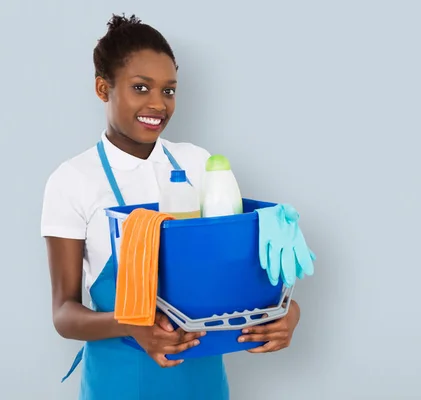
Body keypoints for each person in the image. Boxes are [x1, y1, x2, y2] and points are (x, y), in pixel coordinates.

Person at [40, 13, 302, 399]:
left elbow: (235, 277)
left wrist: (286, 313)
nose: (157, 104)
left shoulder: (199, 164)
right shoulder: (73, 179)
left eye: (169, 90)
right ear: (102, 88)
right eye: (141, 87)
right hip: (120, 379)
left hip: (203, 378)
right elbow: (64, 313)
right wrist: (131, 324)